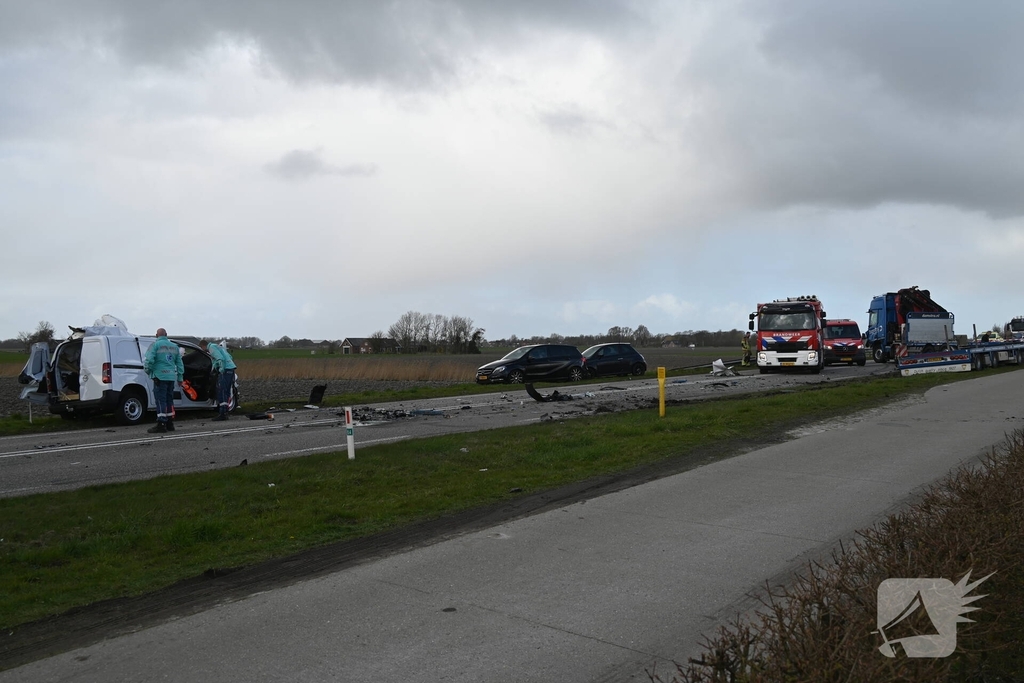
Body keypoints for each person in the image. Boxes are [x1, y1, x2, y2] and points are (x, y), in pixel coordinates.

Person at [144, 328, 183, 433]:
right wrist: (180, 377)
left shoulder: (155, 345)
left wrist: (148, 371)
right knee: (169, 400)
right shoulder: (174, 347)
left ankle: (161, 423)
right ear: (166, 334)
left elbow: (149, 360)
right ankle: (170, 423)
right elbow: (179, 364)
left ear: (156, 335)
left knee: (160, 401)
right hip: (171, 377)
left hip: (159, 377)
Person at [201, 340, 236, 421]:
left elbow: (220, 358)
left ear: (203, 346)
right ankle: (225, 411)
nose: (202, 350)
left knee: (222, 391)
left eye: (201, 348)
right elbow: (230, 357)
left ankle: (222, 413)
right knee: (226, 391)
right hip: (231, 368)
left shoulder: (211, 348)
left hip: (225, 370)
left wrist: (221, 369)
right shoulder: (217, 346)